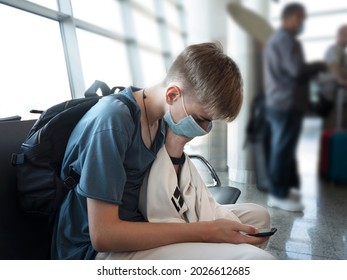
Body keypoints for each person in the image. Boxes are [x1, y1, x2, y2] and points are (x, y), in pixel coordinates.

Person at [51, 42, 275, 260]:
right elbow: (103, 235)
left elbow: (167, 191)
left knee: (258, 218)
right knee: (254, 259)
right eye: (200, 119)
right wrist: (206, 231)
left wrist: (176, 145)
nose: (204, 129)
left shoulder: (161, 120)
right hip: (97, 250)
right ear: (172, 95)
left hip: (147, 218)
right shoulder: (113, 122)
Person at [263, 3, 325, 212]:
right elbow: (296, 70)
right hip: (285, 103)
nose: (302, 23)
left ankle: (281, 189)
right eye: (300, 18)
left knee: (284, 148)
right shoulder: (285, 40)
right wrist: (318, 65)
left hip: (282, 102)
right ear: (289, 18)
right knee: (282, 149)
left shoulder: (279, 40)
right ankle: (278, 194)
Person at [318, 25, 347, 130]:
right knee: (331, 126)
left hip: (338, 95)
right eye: (345, 34)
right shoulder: (333, 49)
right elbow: (334, 65)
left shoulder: (343, 52)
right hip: (329, 95)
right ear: (340, 35)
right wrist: (341, 80)